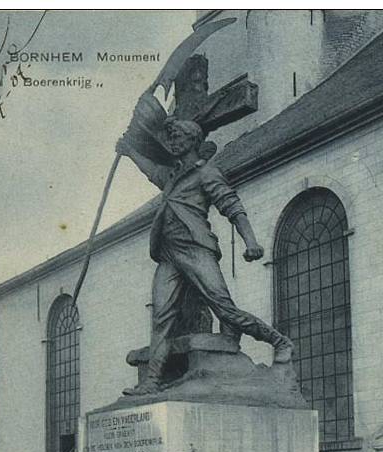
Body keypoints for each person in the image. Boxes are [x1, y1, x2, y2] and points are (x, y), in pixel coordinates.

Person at [116, 116, 293, 395]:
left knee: (224, 309)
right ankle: (152, 381)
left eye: (177, 137)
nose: (172, 142)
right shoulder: (172, 177)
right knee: (161, 316)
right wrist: (129, 151)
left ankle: (278, 340)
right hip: (169, 255)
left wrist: (251, 241)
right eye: (171, 137)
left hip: (197, 249)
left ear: (192, 141)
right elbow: (151, 171)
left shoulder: (206, 173)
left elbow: (231, 205)